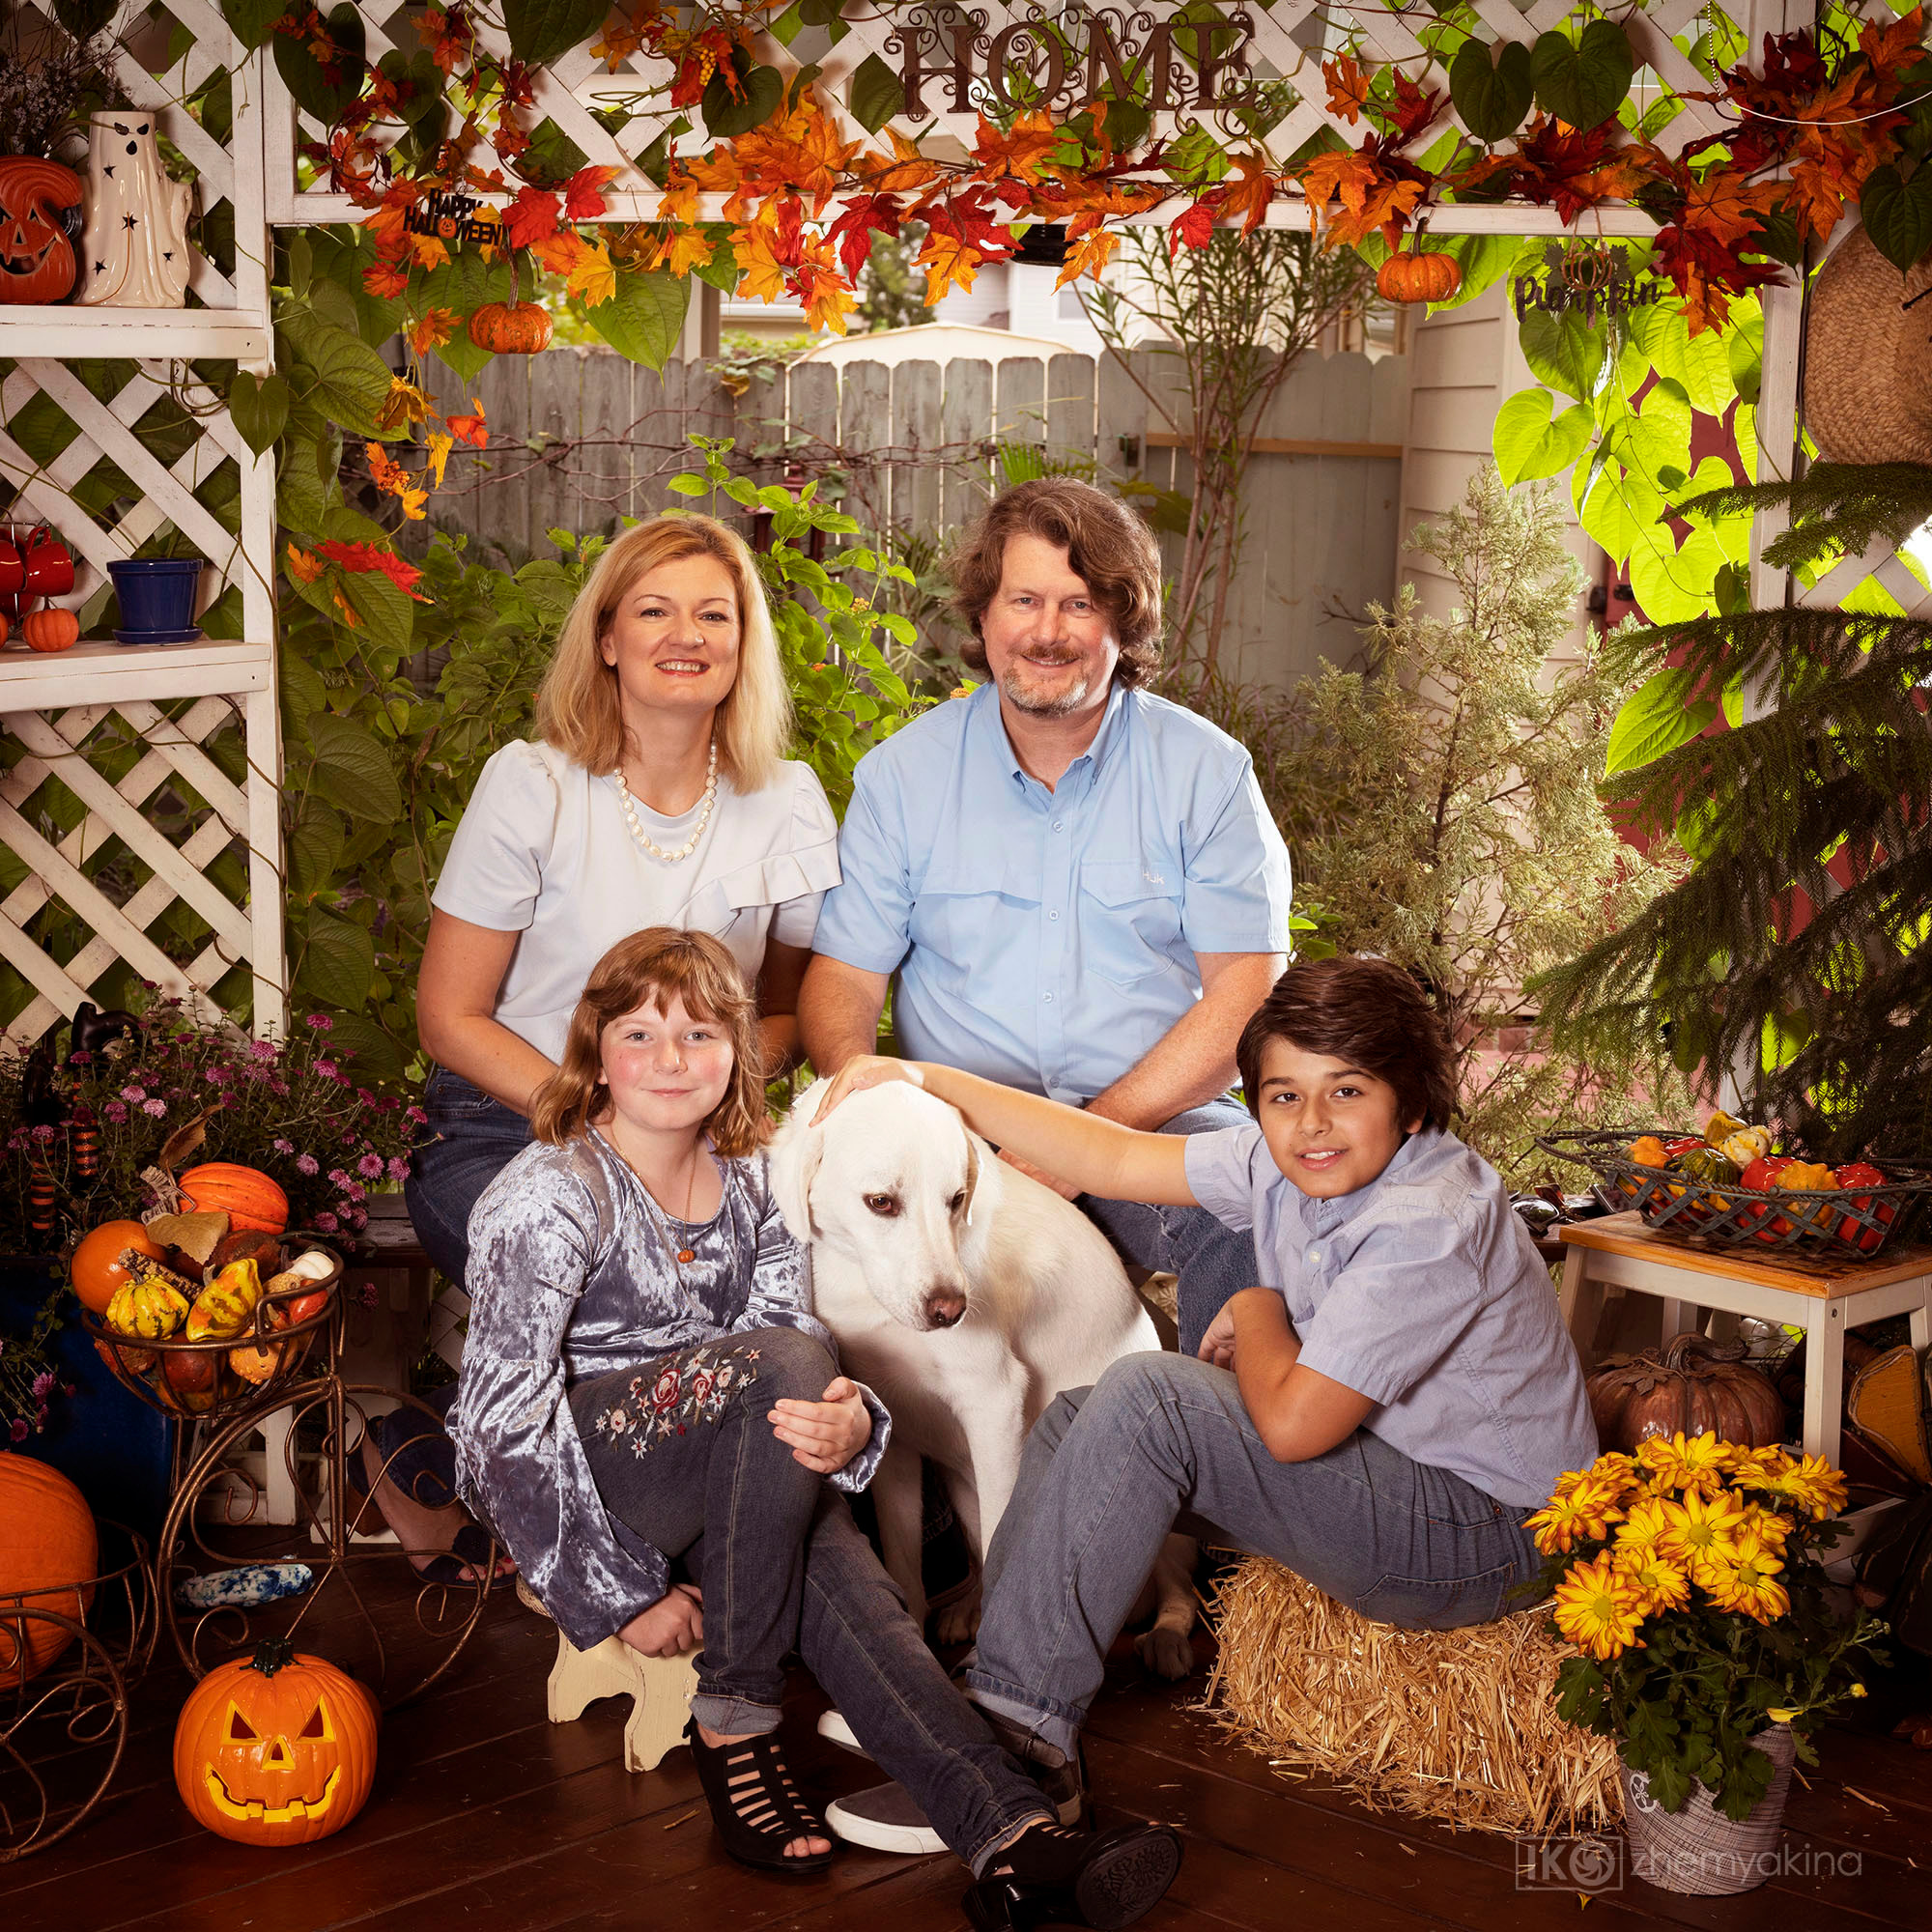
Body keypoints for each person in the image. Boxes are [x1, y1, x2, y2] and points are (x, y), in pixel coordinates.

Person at [449, 926, 1182, 1924]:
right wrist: (614, 1593)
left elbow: (802, 1345)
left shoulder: (757, 1185)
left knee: (840, 1550)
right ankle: (737, 1717)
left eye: (700, 1033)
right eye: (639, 1032)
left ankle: (1015, 1839)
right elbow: (496, 1424)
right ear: (595, 1048)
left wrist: (852, 1427)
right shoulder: (544, 1198)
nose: (671, 1059)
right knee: (794, 1371)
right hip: (593, 1472)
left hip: (733, 1472)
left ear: (736, 1053)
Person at [816, 954, 1597, 1816]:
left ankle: (1020, 1758)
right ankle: (992, 1693)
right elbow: (1108, 1156)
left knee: (1154, 1396)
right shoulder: (1289, 1161)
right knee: (1078, 1417)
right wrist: (919, 1075)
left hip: (1487, 1537)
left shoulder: (1428, 1220)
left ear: (1410, 1103)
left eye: (1348, 1090)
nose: (1311, 1123)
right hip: (1394, 1477)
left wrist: (1259, 1309)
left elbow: (1296, 1428)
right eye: (1283, 1095)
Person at [378, 513, 838, 1584]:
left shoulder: (787, 801)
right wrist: (604, 1109)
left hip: (696, 1126)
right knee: (624, 1298)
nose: (686, 633)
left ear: (742, 645)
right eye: (655, 609)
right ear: (608, 641)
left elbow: (786, 1012)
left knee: (782, 1297)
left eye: (714, 614)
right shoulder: (530, 783)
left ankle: (470, 1471)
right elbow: (449, 1015)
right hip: (511, 1119)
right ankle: (605, 1560)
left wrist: (683, 1101)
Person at [798, 477, 1295, 1358]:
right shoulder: (901, 779)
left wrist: (1087, 1143)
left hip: (1149, 1121)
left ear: (1122, 623)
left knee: (1253, 1208)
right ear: (984, 616)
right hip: (956, 1130)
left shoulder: (1206, 774)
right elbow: (841, 979)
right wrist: (868, 1103)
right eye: (1023, 600)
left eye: (1079, 604)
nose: (1048, 632)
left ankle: (1227, 1459)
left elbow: (1246, 997)